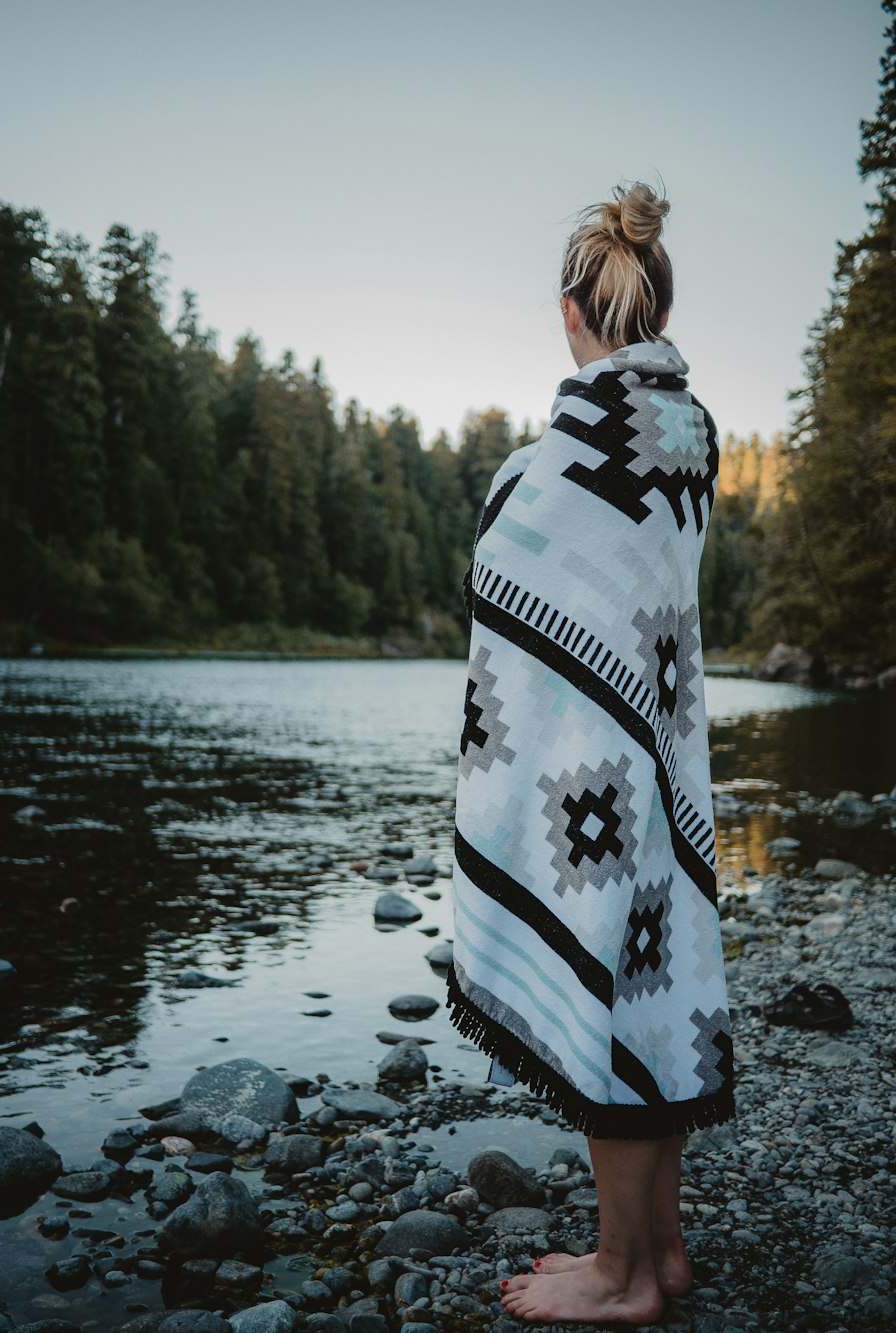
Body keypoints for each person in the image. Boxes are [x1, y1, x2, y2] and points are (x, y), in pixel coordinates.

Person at [447, 181, 736, 1326]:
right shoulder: (691, 434)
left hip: (583, 787)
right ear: (655, 310)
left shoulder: (552, 456)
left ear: (574, 311)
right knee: (655, 991)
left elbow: (504, 585)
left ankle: (617, 1280)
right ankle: (657, 1248)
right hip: (663, 767)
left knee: (603, 997)